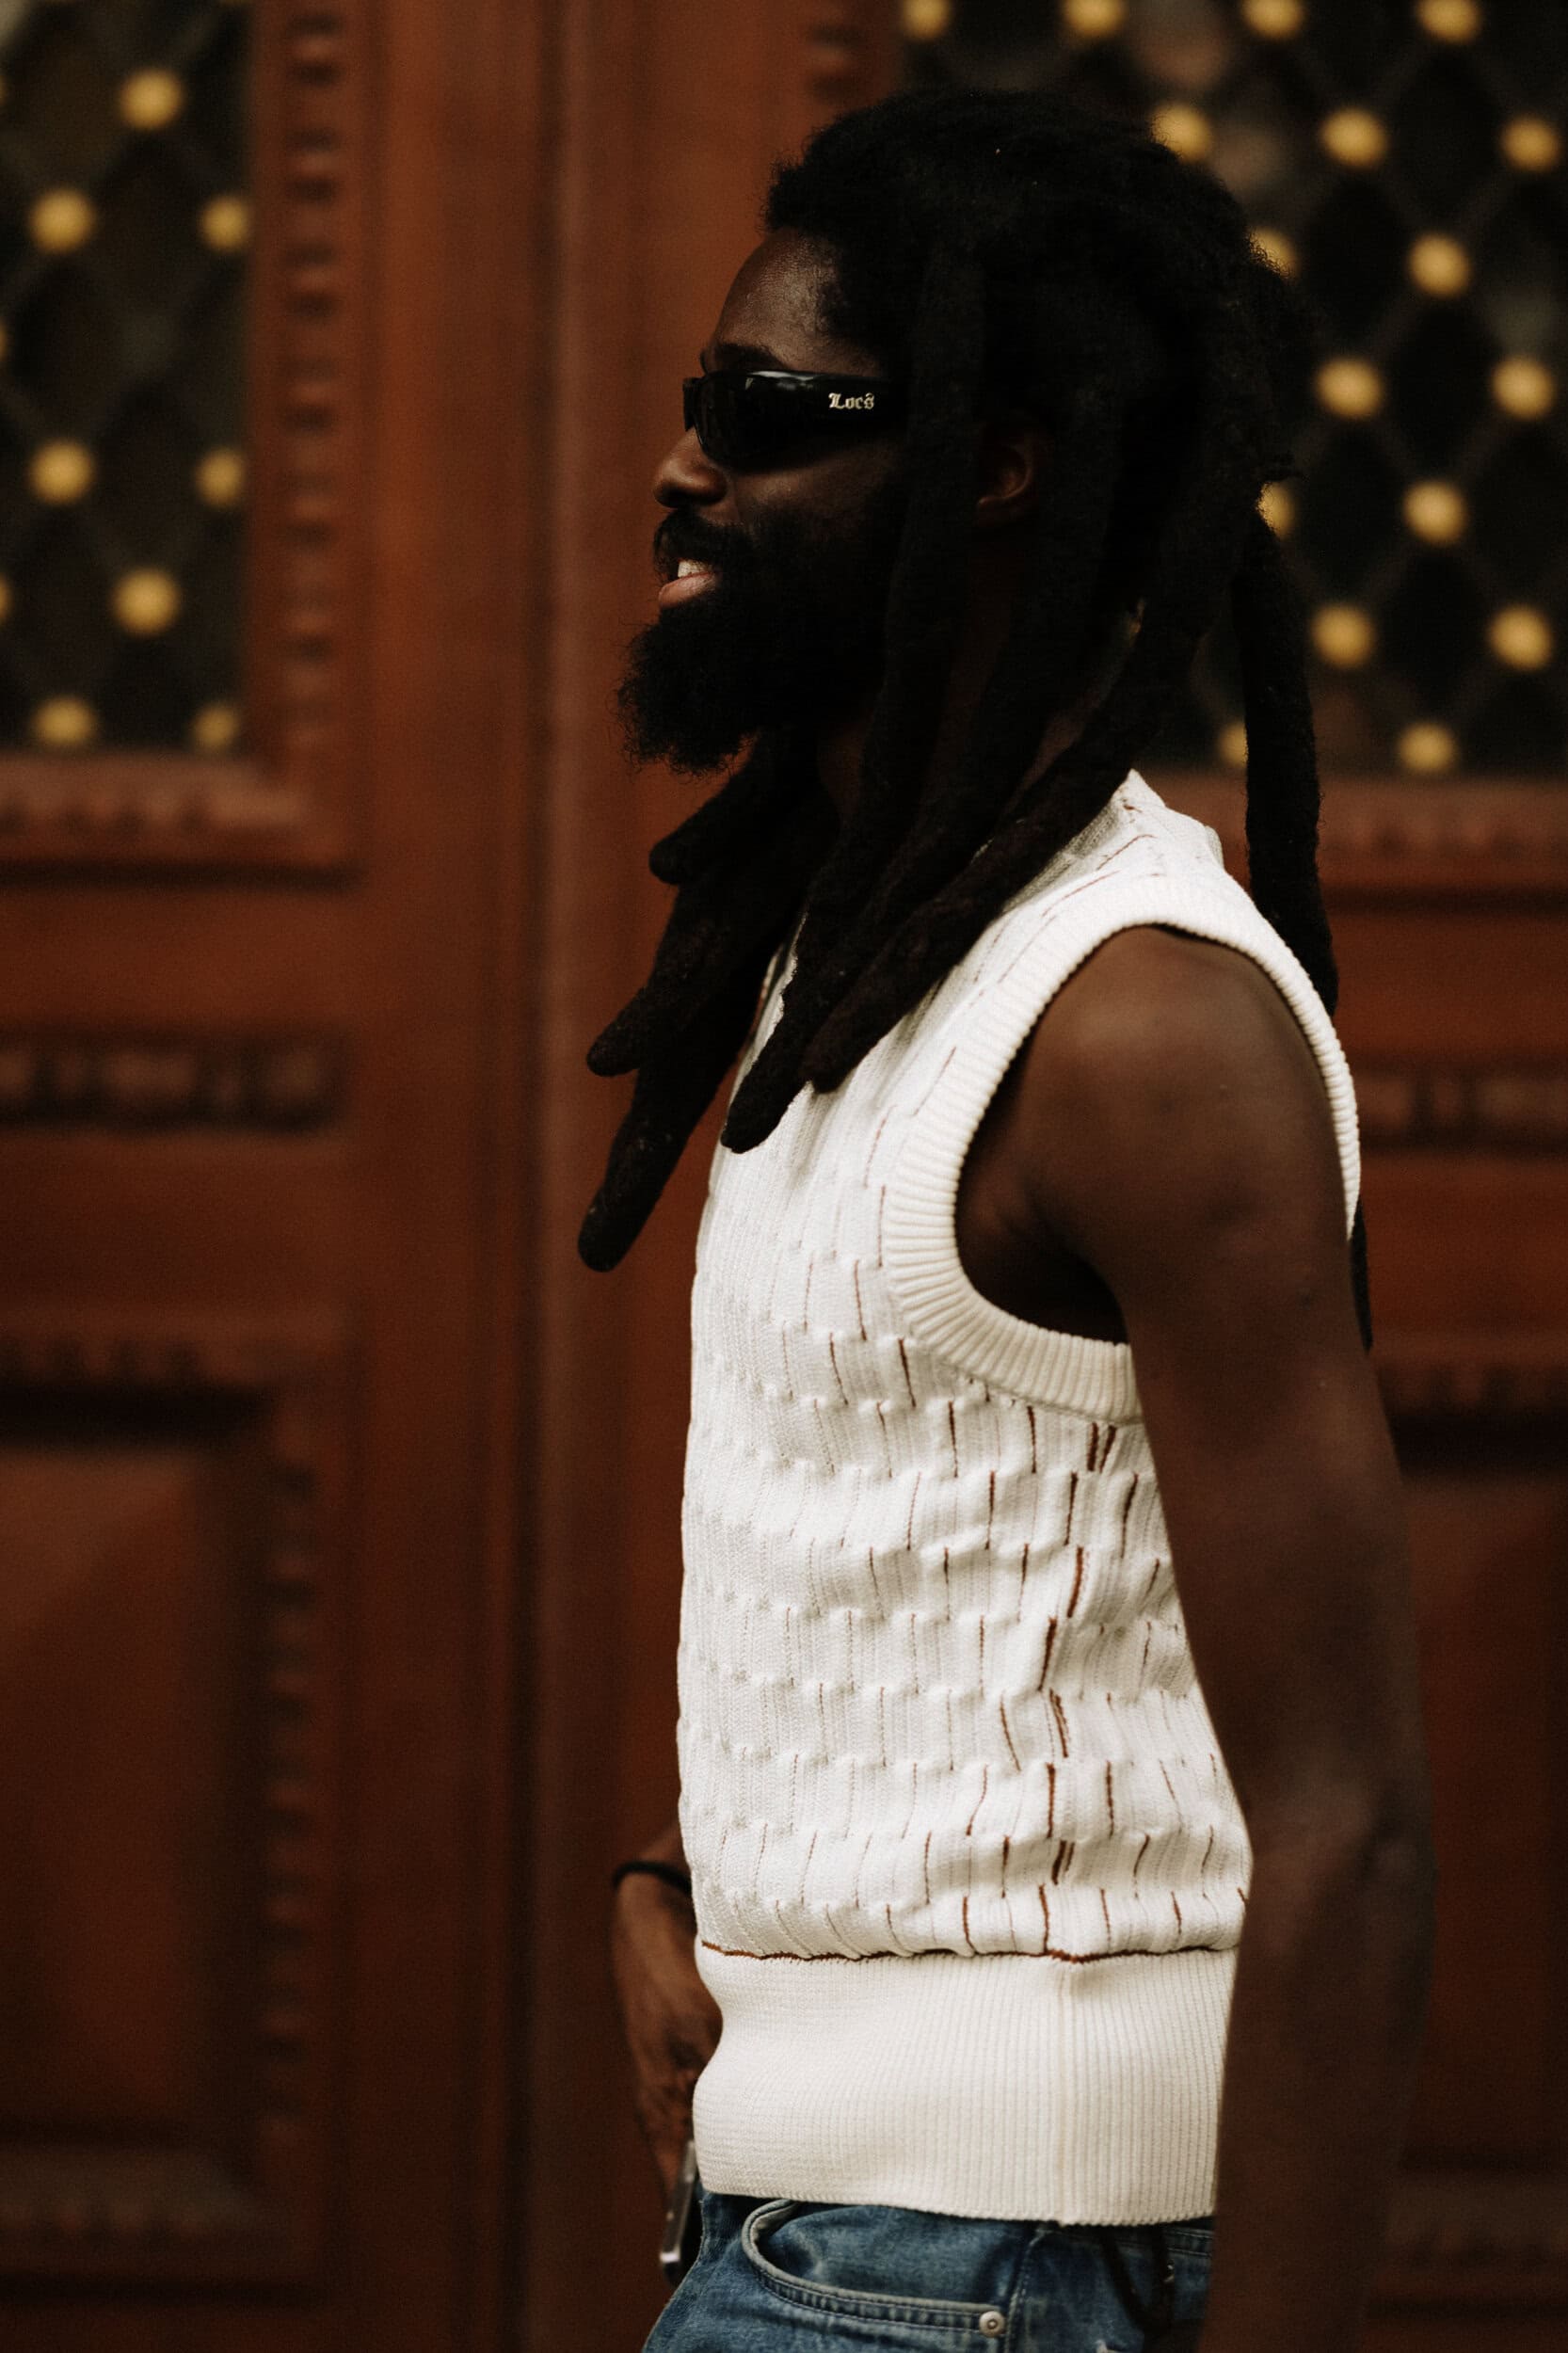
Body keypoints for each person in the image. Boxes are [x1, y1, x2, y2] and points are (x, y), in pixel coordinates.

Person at [591, 87, 1434, 2353]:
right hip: (822, 2230)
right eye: (695, 403)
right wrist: (695, 1873)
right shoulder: (854, 944)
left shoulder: (1140, 1022)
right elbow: (967, 1567)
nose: (682, 467)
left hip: (976, 2274)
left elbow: (1347, 1820)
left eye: (762, 414)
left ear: (992, 463)